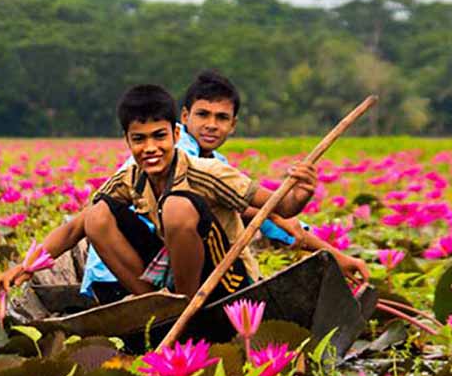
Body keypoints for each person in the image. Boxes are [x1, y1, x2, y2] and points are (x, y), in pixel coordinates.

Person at [0, 84, 318, 302]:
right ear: (127, 141)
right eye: (139, 139)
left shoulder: (209, 172)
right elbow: (75, 228)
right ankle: (154, 304)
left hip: (226, 282)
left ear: (176, 133)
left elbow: (283, 207)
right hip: (172, 279)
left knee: (176, 206)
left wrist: (302, 191)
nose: (150, 148)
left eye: (159, 136)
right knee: (97, 214)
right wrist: (22, 268)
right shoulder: (131, 177)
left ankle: (187, 307)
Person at [81, 70, 368, 302]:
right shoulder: (168, 155)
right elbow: (268, 214)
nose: (211, 125)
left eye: (221, 118)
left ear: (233, 125)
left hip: (134, 274)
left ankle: (175, 303)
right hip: (130, 272)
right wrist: (282, 218)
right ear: (183, 119)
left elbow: (268, 213)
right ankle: (182, 305)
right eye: (203, 115)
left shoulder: (214, 163)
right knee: (179, 209)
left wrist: (331, 254)